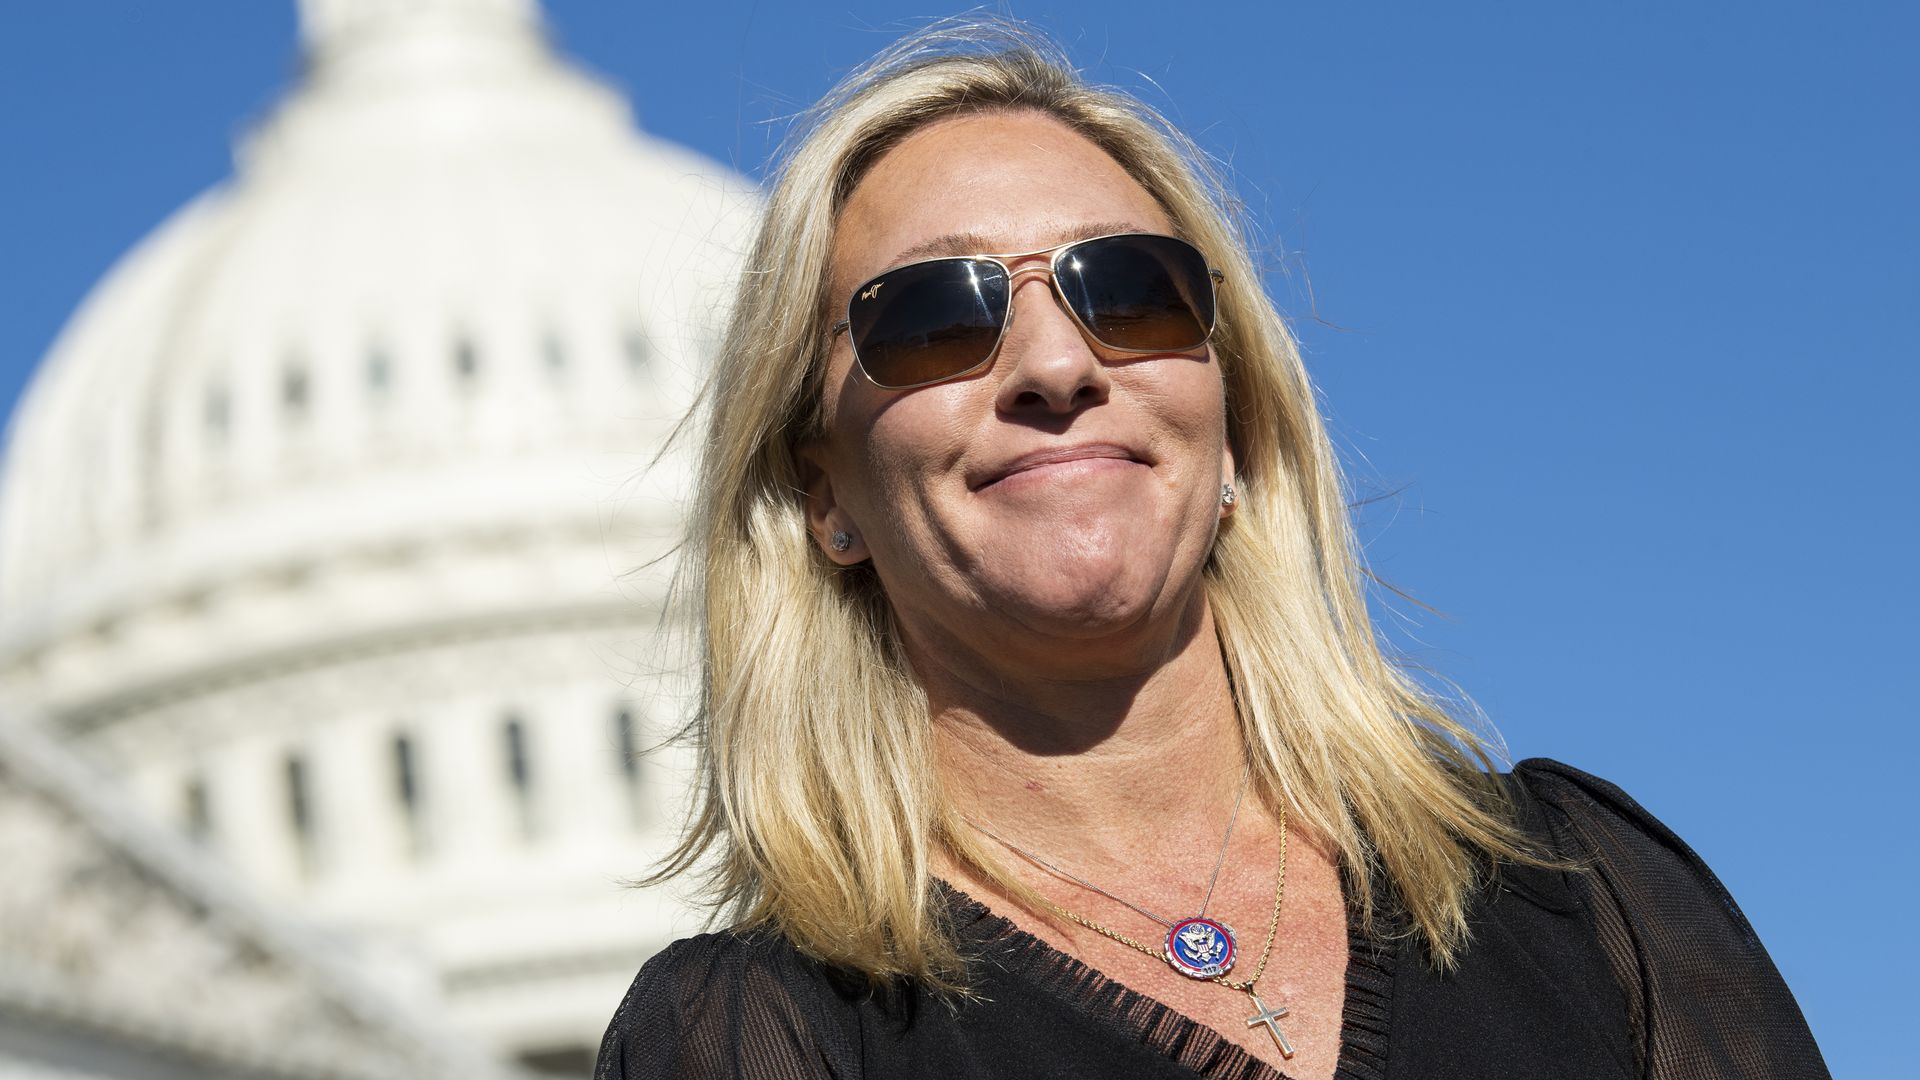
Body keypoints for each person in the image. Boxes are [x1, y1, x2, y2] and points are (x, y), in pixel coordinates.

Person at [597, 20, 1827, 1080]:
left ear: (1233, 424)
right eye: (932, 315)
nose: (1057, 365)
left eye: (1129, 290)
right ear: (822, 493)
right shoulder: (758, 1034)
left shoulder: (1587, 895)